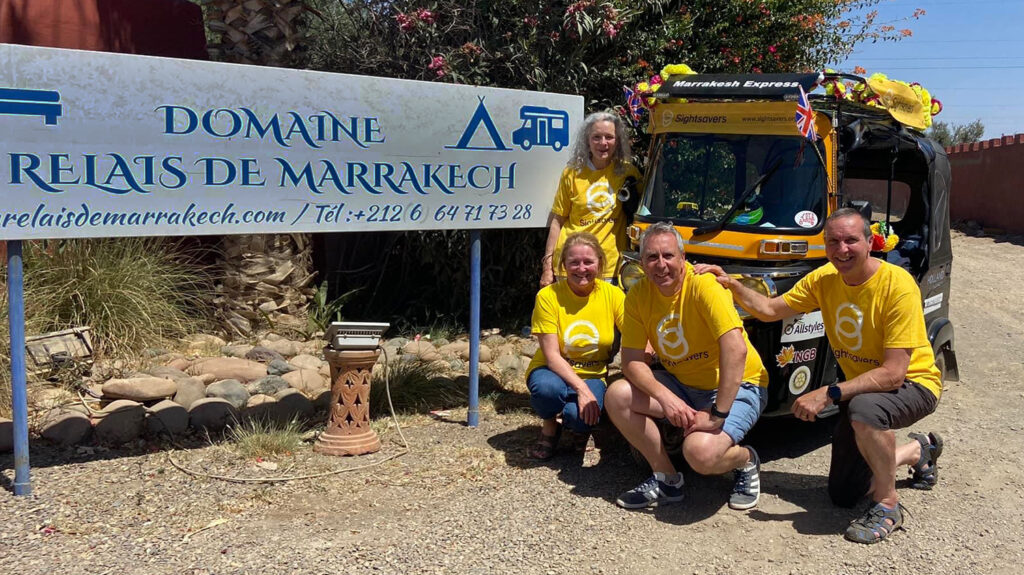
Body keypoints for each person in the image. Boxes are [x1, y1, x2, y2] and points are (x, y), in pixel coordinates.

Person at [695, 207, 944, 544]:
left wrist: (828, 392)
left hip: (914, 385)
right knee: (844, 494)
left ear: (870, 242)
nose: (842, 250)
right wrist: (731, 284)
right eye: (833, 242)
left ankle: (888, 505)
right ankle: (916, 451)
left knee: (865, 412)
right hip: (862, 390)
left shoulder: (896, 285)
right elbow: (770, 310)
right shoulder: (825, 278)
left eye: (851, 240)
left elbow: (894, 375)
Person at [605, 222, 769, 510]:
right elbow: (631, 361)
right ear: (642, 263)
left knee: (700, 454)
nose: (661, 265)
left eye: (668, 256)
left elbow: (736, 349)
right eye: (652, 258)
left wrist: (718, 414)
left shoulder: (703, 285)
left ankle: (746, 460)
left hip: (738, 385)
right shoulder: (639, 295)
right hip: (683, 385)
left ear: (683, 258)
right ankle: (667, 479)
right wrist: (666, 399)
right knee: (617, 395)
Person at [526, 232, 626, 459]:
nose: (582, 268)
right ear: (564, 265)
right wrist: (582, 390)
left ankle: (577, 428)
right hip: (552, 371)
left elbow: (634, 333)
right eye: (574, 262)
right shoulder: (548, 296)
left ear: (600, 263)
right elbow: (551, 357)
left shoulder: (614, 295)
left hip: (593, 373)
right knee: (547, 391)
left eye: (588, 262)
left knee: (579, 416)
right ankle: (550, 425)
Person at [539, 111, 641, 288]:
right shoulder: (572, 173)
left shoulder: (628, 172)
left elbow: (646, 212)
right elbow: (557, 221)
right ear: (587, 140)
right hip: (573, 264)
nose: (603, 143)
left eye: (609, 137)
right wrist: (547, 268)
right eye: (596, 137)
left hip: (610, 266)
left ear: (617, 141)